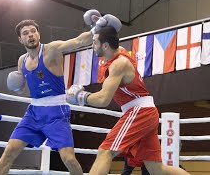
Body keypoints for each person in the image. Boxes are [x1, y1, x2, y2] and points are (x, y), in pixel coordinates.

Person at [66, 26, 190, 175]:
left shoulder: (119, 64)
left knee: (105, 151)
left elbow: (103, 99)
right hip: (146, 112)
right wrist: (102, 25)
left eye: (94, 42)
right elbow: (111, 35)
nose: (92, 46)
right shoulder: (117, 54)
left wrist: (80, 97)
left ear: (105, 45)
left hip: (139, 111)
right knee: (157, 169)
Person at [0, 14, 97, 174]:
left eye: (33, 31)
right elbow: (26, 90)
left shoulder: (51, 50)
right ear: (20, 39)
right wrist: (18, 88)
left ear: (38, 34)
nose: (30, 35)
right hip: (34, 112)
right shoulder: (22, 61)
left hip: (57, 111)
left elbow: (78, 41)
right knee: (9, 151)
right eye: (26, 33)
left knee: (69, 159)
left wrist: (96, 29)